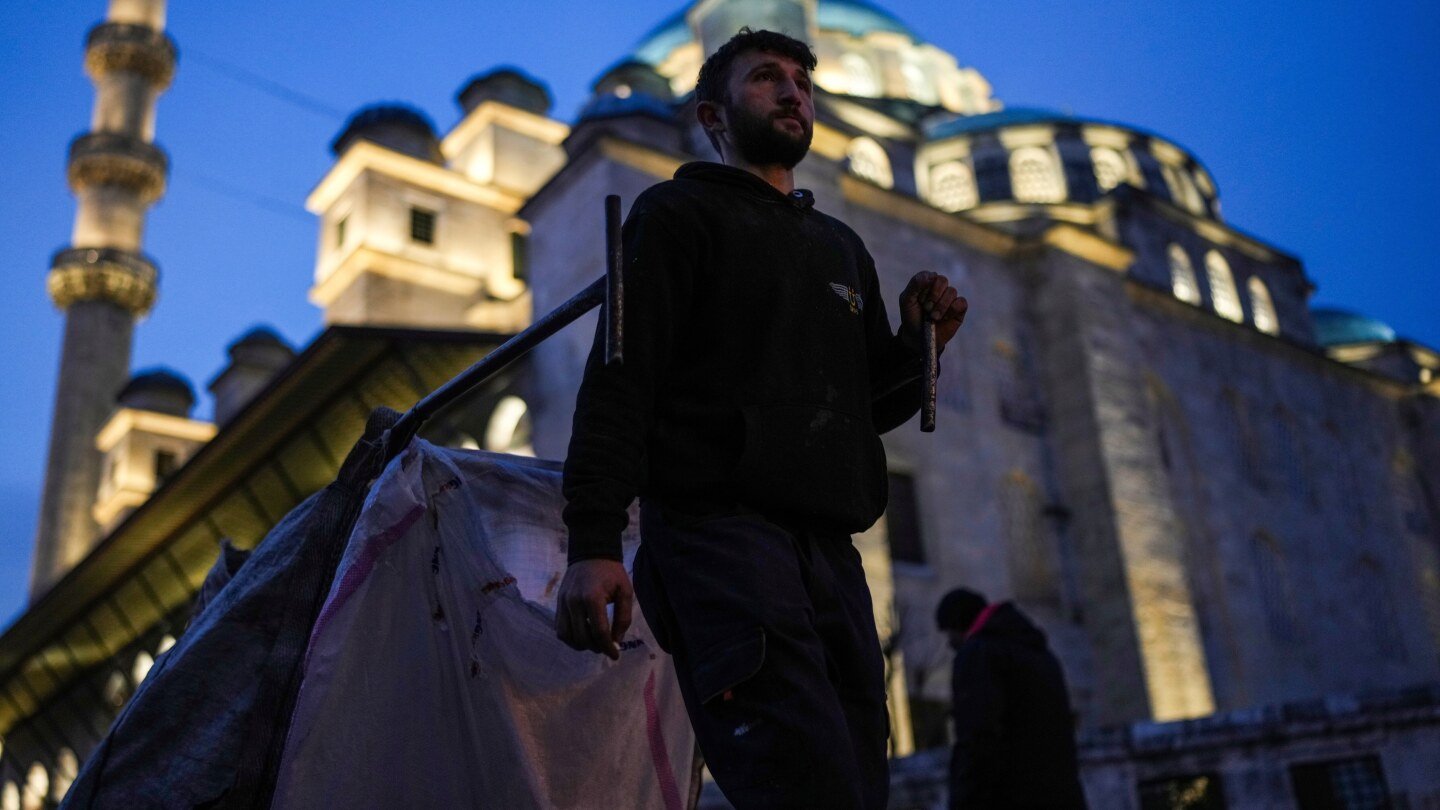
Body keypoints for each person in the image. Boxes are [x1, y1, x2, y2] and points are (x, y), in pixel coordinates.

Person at [555, 27, 968, 809]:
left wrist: (921, 349)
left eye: (803, 85)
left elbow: (860, 410)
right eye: (767, 79)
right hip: (720, 543)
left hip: (831, 559)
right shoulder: (677, 214)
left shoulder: (840, 247)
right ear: (713, 116)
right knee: (797, 783)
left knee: (856, 785)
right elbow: (621, 379)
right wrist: (594, 543)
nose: (792, 94)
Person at [935, 588, 1088, 809]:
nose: (949, 644)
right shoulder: (1041, 654)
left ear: (957, 624)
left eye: (948, 632)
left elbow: (978, 735)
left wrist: (964, 798)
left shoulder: (979, 654)